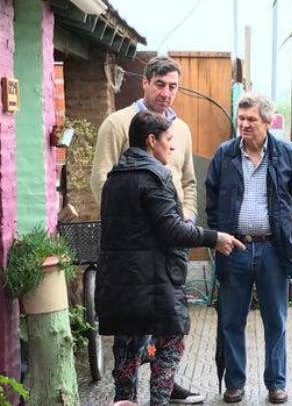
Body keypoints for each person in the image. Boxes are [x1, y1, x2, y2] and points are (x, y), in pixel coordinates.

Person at [96, 111, 245, 406]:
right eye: (168, 139)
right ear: (152, 140)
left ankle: (124, 400)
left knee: (126, 354)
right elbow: (173, 230)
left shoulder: (114, 177)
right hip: (154, 283)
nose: (172, 146)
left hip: (117, 283)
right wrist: (214, 238)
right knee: (170, 345)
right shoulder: (155, 176)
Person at [90, 56, 203, 403]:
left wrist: (182, 219)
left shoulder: (181, 130)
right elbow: (101, 180)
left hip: (171, 241)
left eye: (173, 87)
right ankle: (132, 393)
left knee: (166, 322)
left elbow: (188, 181)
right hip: (136, 248)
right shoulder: (118, 123)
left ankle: (164, 383)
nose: (166, 93)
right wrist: (138, 222)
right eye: (160, 85)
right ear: (144, 83)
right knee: (133, 328)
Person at [205, 92, 292, 404]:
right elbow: (211, 201)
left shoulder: (287, 154)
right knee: (231, 320)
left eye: (251, 119)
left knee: (276, 320)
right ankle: (235, 384)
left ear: (267, 122)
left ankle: (276, 383)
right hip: (235, 248)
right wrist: (219, 235)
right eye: (241, 118)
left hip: (273, 250)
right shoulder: (225, 154)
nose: (244, 124)